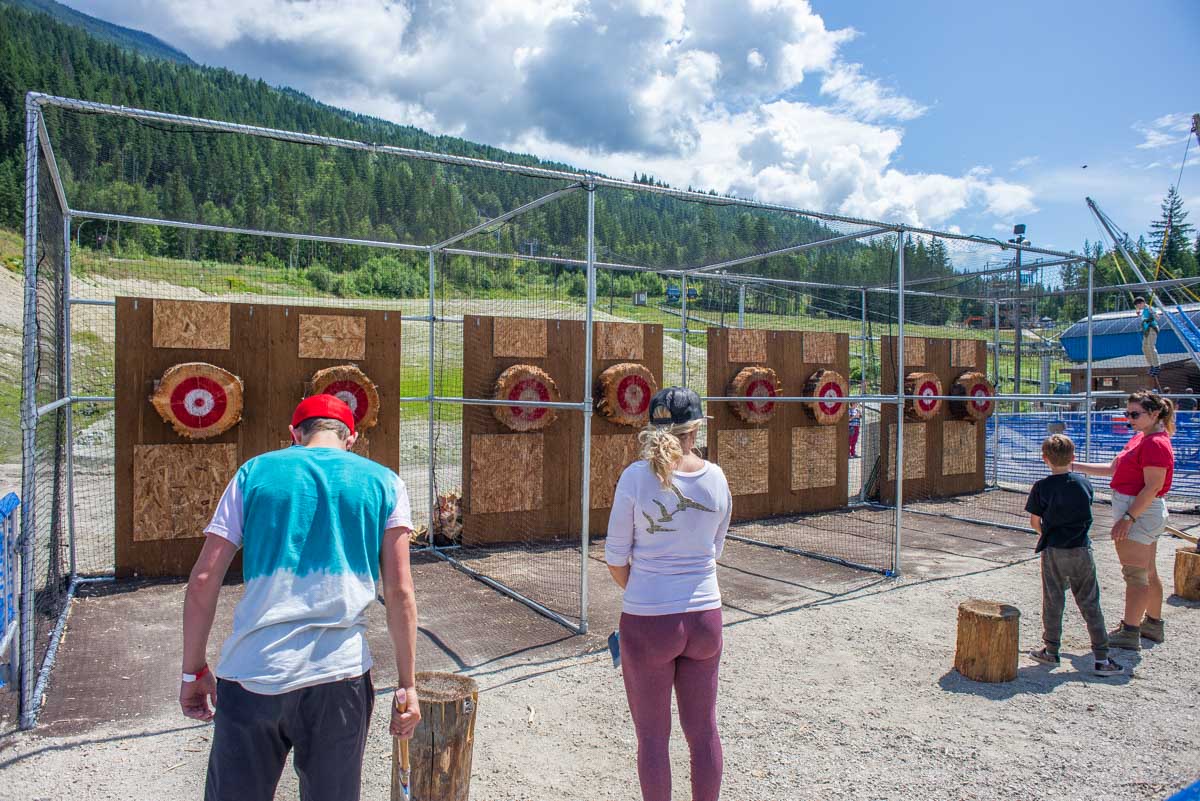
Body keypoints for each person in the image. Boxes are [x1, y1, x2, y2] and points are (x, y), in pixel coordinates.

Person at [180, 394, 421, 801]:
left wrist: (193, 672)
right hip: (339, 676)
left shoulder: (253, 473)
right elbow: (400, 593)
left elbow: (204, 579)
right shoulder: (385, 482)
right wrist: (407, 685)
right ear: (352, 438)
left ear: (294, 435)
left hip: (253, 672)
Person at [606, 387, 733, 801]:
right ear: (695, 429)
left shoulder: (635, 477)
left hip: (647, 622)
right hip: (704, 618)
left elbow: (615, 558)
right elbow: (714, 550)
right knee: (703, 733)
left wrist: (642, 590)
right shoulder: (715, 478)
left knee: (654, 741)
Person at [1071, 390, 1173, 650]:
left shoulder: (1154, 443)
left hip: (1139, 511)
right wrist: (1073, 465)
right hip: (1139, 510)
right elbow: (1113, 468)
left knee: (1135, 574)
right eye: (1127, 413)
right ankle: (1152, 623)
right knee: (1147, 570)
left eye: (1135, 414)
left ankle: (1130, 631)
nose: (1129, 418)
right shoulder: (1142, 438)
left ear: (1154, 414)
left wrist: (1128, 518)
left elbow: (1152, 487)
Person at [1025, 434, 1123, 676]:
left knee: (1053, 599)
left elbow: (1034, 521)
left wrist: (1046, 533)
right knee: (1090, 601)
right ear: (1073, 458)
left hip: (1054, 549)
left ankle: (1051, 649)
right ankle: (1102, 657)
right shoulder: (1084, 484)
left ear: (1045, 459)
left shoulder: (1041, 487)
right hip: (1081, 548)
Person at [1135, 296, 1161, 379]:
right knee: (1144, 348)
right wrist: (1139, 313)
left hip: (1152, 329)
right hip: (1146, 331)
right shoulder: (1143, 311)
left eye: (1138, 305)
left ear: (1142, 303)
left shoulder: (1150, 308)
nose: (1137, 307)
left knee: (1151, 347)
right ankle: (1152, 365)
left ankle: (1157, 366)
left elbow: (1157, 317)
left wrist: (1152, 312)